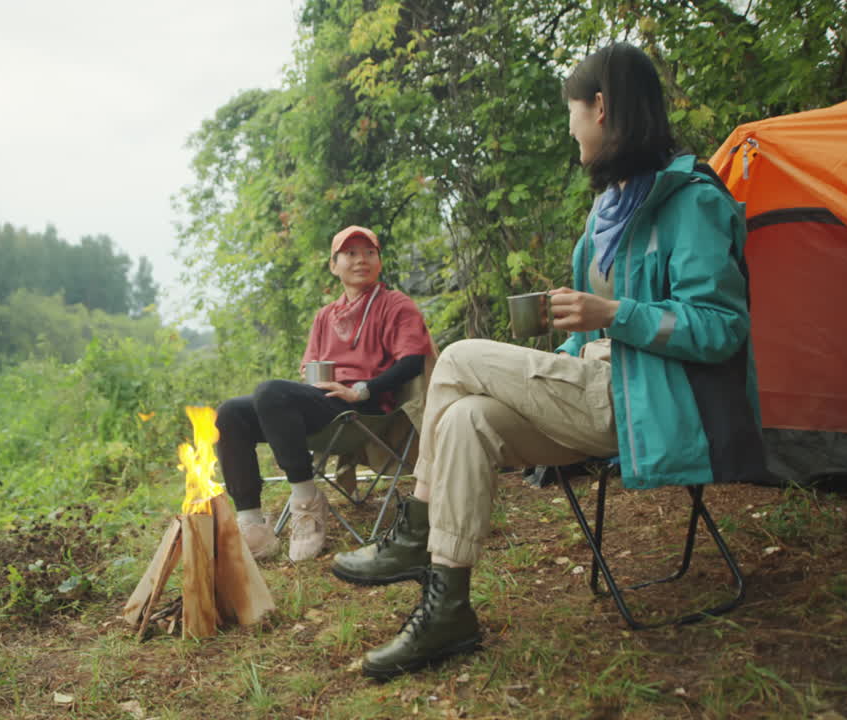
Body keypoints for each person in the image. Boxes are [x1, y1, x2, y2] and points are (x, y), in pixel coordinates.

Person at [332, 43, 769, 679]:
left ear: (601, 107)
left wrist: (613, 315)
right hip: (590, 387)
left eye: (573, 114)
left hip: (647, 404)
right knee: (463, 420)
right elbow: (581, 338)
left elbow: (722, 329)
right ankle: (449, 607)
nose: (571, 131)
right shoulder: (607, 210)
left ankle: (412, 537)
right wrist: (578, 331)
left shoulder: (694, 201)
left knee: (453, 358)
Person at [215, 225, 434, 563]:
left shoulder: (395, 304)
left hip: (364, 409)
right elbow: (309, 368)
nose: (361, 260)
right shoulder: (325, 316)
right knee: (231, 412)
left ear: (379, 261)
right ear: (334, 265)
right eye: (350, 253)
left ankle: (307, 503)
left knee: (270, 391)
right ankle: (251, 524)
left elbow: (413, 362)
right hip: (323, 405)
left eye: (369, 253)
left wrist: (361, 390)